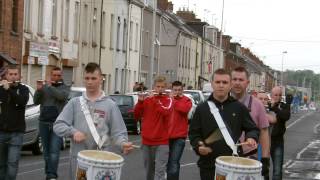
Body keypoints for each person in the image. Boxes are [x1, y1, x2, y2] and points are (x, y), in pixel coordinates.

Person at [53, 62, 133, 179]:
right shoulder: (74, 103)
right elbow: (58, 125)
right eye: (87, 78)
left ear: (101, 79)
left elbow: (118, 132)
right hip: (80, 161)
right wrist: (73, 132)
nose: (89, 82)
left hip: (102, 161)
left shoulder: (110, 105)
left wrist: (123, 144)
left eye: (93, 78)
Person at [189, 69, 259, 180]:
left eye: (225, 82)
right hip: (209, 165)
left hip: (233, 164)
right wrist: (199, 145)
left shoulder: (239, 108)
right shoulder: (202, 108)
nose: (221, 85)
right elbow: (194, 133)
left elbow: (252, 128)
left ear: (230, 85)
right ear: (212, 84)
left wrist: (251, 137)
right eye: (217, 82)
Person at [231, 67, 270, 179]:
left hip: (250, 160)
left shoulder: (257, 105)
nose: (237, 83)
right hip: (226, 159)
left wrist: (265, 159)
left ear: (247, 82)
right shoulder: (223, 103)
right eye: (234, 79)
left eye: (241, 80)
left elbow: (264, 133)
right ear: (230, 81)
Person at [33, 66, 69, 180]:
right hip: (43, 122)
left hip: (57, 124)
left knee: (54, 151)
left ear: (61, 76)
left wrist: (49, 86)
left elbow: (61, 96)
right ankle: (49, 173)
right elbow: (36, 101)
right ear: (50, 75)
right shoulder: (45, 87)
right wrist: (38, 90)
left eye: (59, 75)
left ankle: (51, 175)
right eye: (54, 75)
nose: (56, 77)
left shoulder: (65, 87)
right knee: (46, 152)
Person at [134, 76, 172, 180]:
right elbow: (136, 116)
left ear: (165, 88)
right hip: (146, 142)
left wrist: (154, 100)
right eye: (158, 86)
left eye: (162, 87)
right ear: (153, 87)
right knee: (149, 173)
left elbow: (165, 112)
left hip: (162, 142)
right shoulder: (147, 100)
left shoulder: (168, 100)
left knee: (160, 172)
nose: (160, 89)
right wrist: (140, 102)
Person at [0, 65, 29, 180]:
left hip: (16, 133)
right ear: (6, 76)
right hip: (1, 132)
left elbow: (22, 101)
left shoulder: (23, 89)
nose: (13, 77)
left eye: (15, 74)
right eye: (10, 74)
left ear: (19, 76)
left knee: (12, 165)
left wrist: (9, 89)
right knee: (1, 165)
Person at [167, 81, 192, 180]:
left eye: (179, 90)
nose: (177, 92)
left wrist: (173, 101)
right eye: (175, 90)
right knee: (166, 162)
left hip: (179, 137)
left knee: (174, 162)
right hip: (165, 137)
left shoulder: (186, 100)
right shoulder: (168, 99)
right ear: (172, 90)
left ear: (183, 90)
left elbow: (184, 110)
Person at [269, 86, 291, 180]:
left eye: (279, 95)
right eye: (275, 94)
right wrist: (271, 106)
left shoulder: (284, 106)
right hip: (263, 140)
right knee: (262, 168)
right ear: (271, 95)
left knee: (277, 171)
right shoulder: (266, 103)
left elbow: (286, 116)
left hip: (277, 141)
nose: (277, 97)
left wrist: (275, 108)